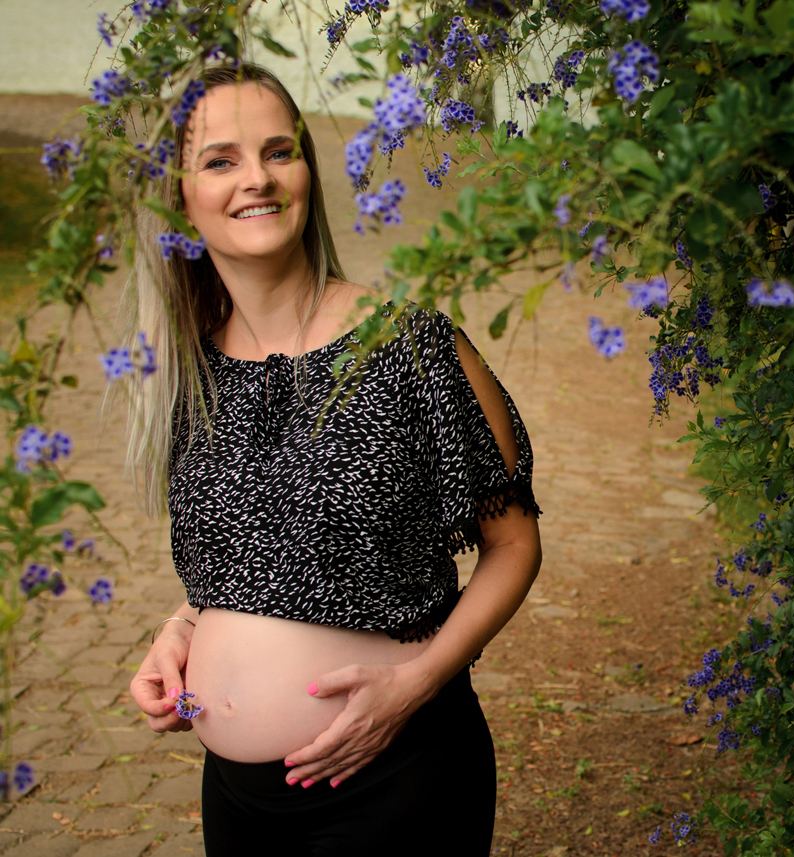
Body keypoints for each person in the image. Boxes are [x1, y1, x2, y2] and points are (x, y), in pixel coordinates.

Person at [125, 63, 542, 853]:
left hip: (392, 778)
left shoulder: (410, 344)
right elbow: (246, 561)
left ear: (309, 172)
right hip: (239, 803)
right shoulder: (190, 375)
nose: (258, 178)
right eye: (221, 160)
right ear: (176, 198)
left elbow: (515, 544)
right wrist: (183, 630)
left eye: (280, 151)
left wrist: (413, 686)